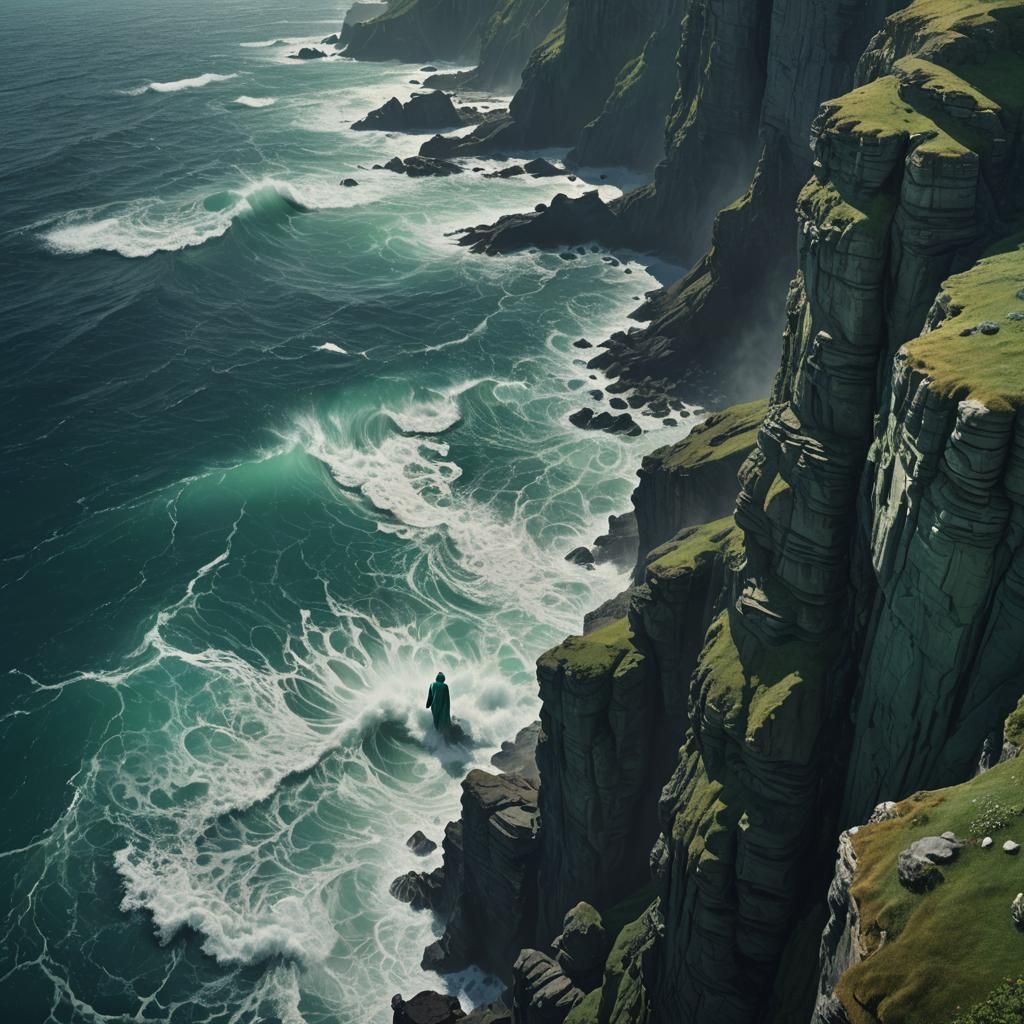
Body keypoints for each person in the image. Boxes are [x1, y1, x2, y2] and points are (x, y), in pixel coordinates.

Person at [426, 671, 452, 735]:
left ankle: (437, 734)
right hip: (443, 706)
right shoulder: (445, 686)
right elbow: (447, 699)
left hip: (434, 706)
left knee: (436, 720)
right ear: (443, 678)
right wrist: (447, 710)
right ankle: (442, 735)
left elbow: (430, 697)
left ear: (437, 678)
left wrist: (427, 705)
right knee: (442, 721)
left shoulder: (432, 684)